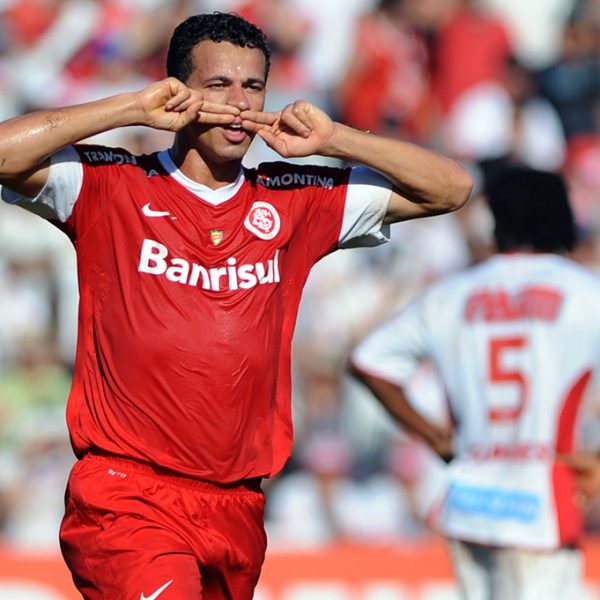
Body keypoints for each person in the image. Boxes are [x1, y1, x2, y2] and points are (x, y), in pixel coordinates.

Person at [0, 11, 472, 600]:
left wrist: (334, 140)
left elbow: (451, 188)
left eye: (253, 87)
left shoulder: (294, 199)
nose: (238, 103)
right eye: (218, 85)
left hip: (238, 506)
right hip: (127, 494)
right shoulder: (111, 186)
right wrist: (127, 109)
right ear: (177, 91)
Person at [350, 167, 600, 600]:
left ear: (496, 222)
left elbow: (368, 361)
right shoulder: (584, 293)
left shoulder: (451, 295)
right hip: (543, 501)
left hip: (470, 499)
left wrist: (435, 438)